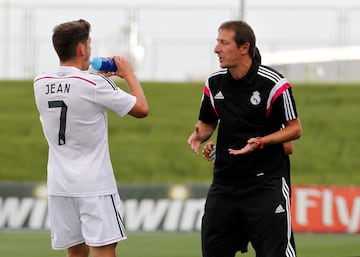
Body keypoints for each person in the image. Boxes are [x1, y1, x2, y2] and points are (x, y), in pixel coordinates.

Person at [34, 19, 149, 257]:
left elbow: (74, 88)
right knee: (104, 252)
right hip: (94, 186)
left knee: (75, 254)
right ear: (82, 49)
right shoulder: (96, 84)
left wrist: (98, 79)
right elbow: (141, 109)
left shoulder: (40, 82)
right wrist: (128, 75)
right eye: (89, 43)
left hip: (60, 186)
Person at [187, 20, 302, 257]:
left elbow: (294, 131)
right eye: (217, 42)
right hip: (225, 185)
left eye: (223, 42)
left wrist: (260, 142)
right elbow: (208, 122)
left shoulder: (274, 84)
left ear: (244, 47)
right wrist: (201, 135)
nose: (216, 49)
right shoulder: (213, 83)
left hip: (265, 184)